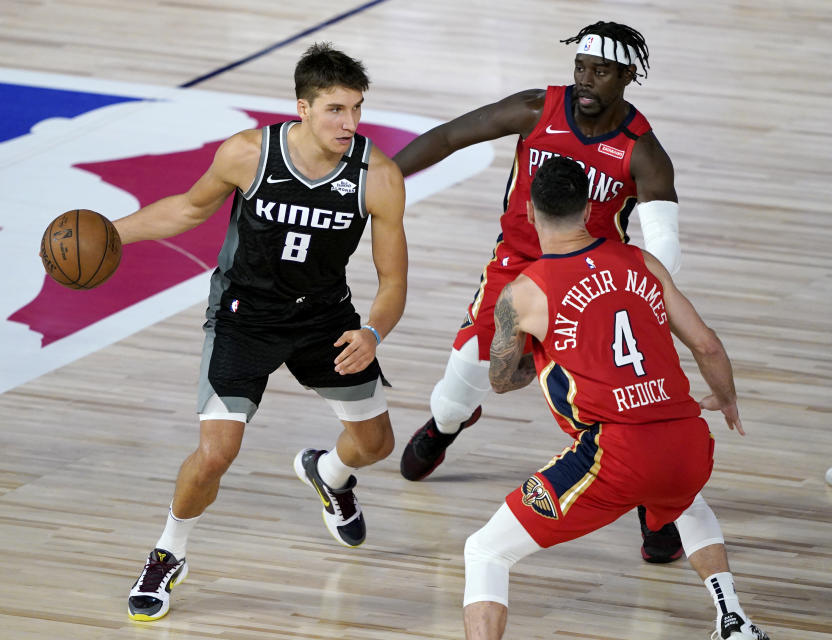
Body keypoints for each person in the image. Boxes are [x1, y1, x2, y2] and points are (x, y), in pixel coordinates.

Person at [112, 43, 408, 621]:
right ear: (302, 107)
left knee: (376, 446)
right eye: (335, 110)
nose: (350, 123)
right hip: (244, 315)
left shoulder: (379, 177)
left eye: (357, 109)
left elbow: (393, 279)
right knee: (216, 452)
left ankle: (329, 474)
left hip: (326, 318)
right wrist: (110, 232)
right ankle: (168, 551)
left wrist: (372, 331)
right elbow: (188, 210)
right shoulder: (249, 153)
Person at [394, 20, 685, 563]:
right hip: (518, 264)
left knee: (624, 396)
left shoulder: (644, 152)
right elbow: (450, 136)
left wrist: (641, 298)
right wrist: (383, 175)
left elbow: (664, 245)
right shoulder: (536, 109)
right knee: (465, 374)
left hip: (593, 278)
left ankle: (656, 507)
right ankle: (447, 423)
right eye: (580, 67)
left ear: (626, 77)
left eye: (600, 71)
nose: (585, 80)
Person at [462, 157, 769, 640]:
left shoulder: (521, 294)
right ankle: (735, 621)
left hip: (615, 451)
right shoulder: (641, 260)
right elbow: (706, 343)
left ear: (530, 211)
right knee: (685, 499)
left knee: (485, 552)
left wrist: (536, 358)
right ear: (588, 209)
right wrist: (726, 399)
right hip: (688, 437)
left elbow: (500, 380)